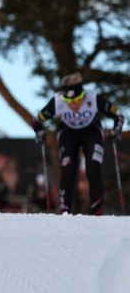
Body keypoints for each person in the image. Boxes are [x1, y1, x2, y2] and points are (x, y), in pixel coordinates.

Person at [32, 72, 125, 215]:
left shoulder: (93, 98)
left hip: (91, 132)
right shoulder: (57, 101)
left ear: (83, 94)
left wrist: (116, 131)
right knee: (68, 171)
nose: (73, 104)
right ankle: (65, 212)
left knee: (92, 169)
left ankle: (97, 212)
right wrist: (39, 132)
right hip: (68, 133)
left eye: (77, 99)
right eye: (69, 101)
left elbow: (118, 115)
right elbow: (37, 120)